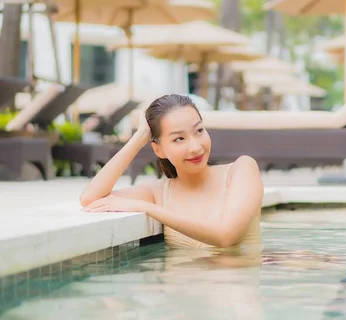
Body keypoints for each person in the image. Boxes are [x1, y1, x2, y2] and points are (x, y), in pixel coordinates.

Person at [80, 94, 264, 250]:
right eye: (179, 139)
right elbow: (91, 198)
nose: (195, 147)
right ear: (158, 150)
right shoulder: (159, 192)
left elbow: (225, 236)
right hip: (179, 289)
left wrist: (149, 208)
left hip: (234, 289)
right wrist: (139, 137)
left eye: (199, 130)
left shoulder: (241, 170)